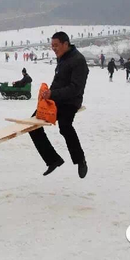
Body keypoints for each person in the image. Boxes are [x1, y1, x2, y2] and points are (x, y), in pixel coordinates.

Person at [29, 32, 89, 178]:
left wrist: (53, 94)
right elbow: (58, 81)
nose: (54, 49)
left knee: (65, 126)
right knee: (33, 125)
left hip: (71, 101)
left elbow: (75, 88)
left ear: (65, 44)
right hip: (56, 99)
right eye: (52, 46)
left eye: (56, 45)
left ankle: (80, 160)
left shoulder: (78, 60)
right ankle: (53, 160)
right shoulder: (63, 58)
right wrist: (47, 95)